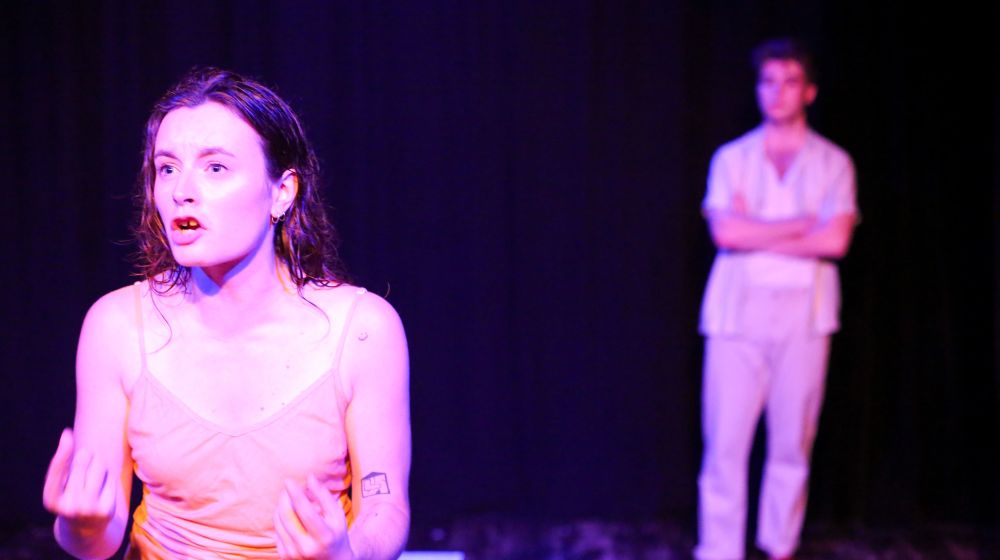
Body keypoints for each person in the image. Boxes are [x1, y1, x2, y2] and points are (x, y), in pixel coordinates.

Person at [42, 68, 411, 559]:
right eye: (167, 169)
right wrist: (81, 526)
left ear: (282, 191)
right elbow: (98, 539)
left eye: (215, 168)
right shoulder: (117, 326)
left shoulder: (363, 329)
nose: (181, 191)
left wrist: (343, 554)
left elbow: (385, 508)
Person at [695, 39, 858, 560]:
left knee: (791, 443)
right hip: (736, 316)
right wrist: (801, 223)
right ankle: (719, 549)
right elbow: (726, 234)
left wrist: (756, 229)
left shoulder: (833, 163)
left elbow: (835, 242)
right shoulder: (732, 158)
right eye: (768, 82)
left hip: (804, 317)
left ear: (808, 92)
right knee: (724, 445)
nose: (777, 93)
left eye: (789, 82)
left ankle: (778, 545)